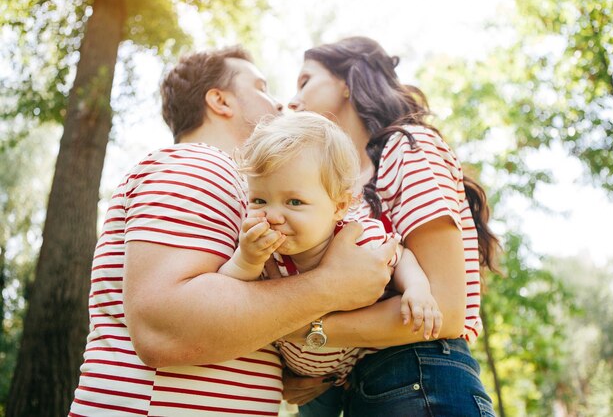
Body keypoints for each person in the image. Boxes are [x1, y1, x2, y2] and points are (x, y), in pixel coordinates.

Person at [68, 46, 398, 417]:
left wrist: (293, 367)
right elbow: (164, 330)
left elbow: (237, 314)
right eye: (261, 87)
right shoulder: (197, 163)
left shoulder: (243, 193)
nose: (279, 104)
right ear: (220, 100)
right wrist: (330, 286)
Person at [284, 36, 501, 416]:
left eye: (305, 81)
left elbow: (446, 311)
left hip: (421, 375)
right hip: (366, 387)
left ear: (346, 82)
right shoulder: (345, 184)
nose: (292, 100)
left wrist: (300, 329)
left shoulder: (407, 148)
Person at [219, 112, 442, 396]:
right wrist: (246, 259)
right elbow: (229, 294)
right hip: (302, 383)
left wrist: (417, 288)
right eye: (260, 200)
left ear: (339, 206)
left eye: (295, 202)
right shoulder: (264, 253)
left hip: (350, 372)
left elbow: (400, 256)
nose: (273, 215)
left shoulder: (358, 241)